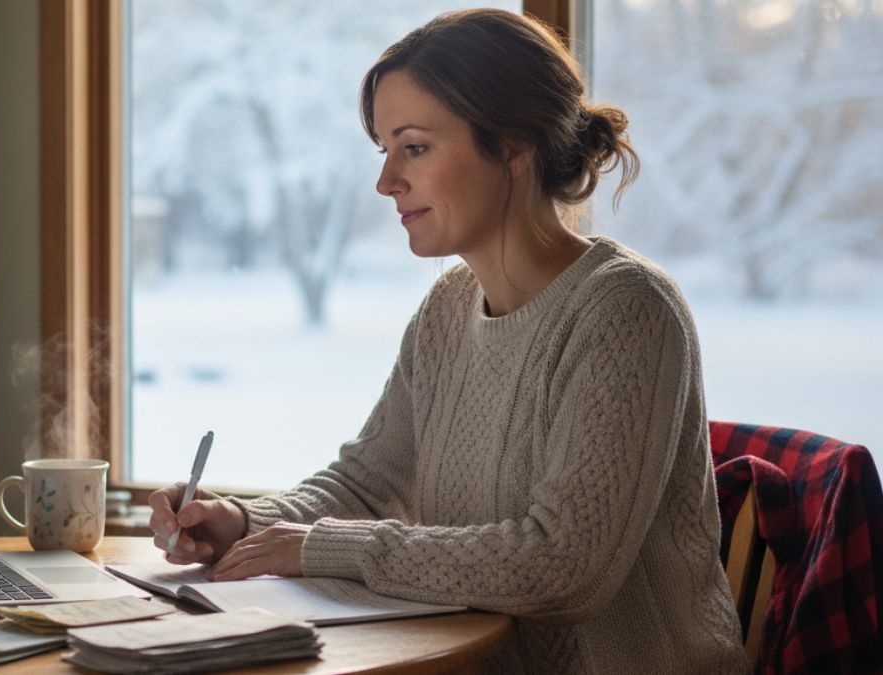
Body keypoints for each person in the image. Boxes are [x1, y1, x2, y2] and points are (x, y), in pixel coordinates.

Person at [148, 8, 748, 673]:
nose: (386, 182)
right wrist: (240, 519)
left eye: (415, 146)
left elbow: (563, 566)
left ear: (515, 146)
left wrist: (318, 546)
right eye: (385, 150)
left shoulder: (626, 310)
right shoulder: (447, 308)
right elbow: (368, 482)